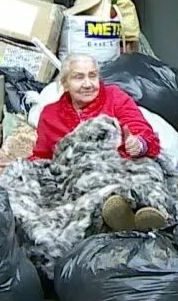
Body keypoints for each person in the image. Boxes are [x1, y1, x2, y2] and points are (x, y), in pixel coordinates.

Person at [32, 53, 167, 231]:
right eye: (79, 77)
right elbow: (42, 156)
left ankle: (146, 213)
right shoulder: (51, 115)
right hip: (82, 179)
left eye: (92, 76)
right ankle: (119, 214)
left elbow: (142, 131)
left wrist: (138, 144)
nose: (87, 84)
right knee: (80, 187)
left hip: (123, 166)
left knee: (148, 172)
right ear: (64, 83)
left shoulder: (115, 98)